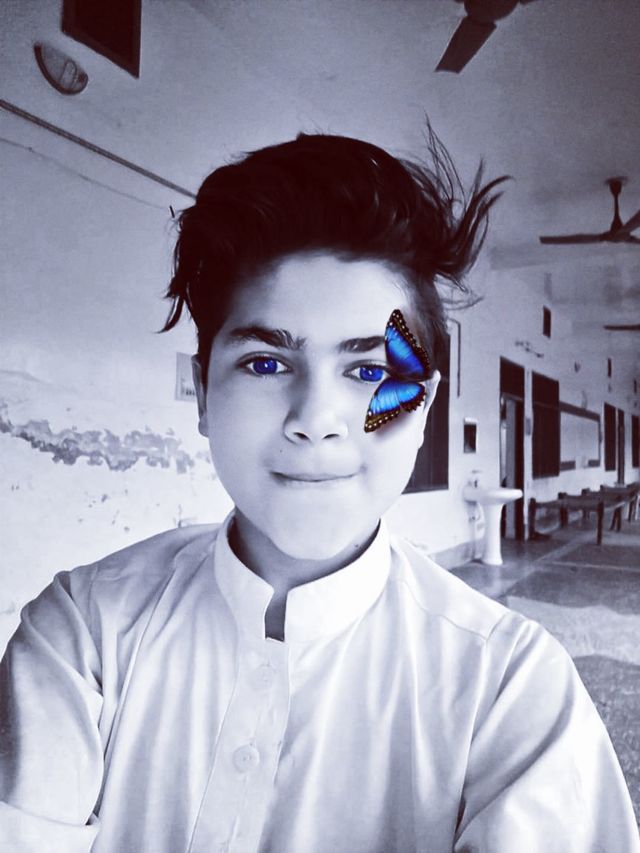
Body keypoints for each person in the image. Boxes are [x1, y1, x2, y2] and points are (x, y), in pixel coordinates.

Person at [1, 129, 638, 853]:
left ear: (423, 408)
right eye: (266, 363)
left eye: (369, 372)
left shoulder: (512, 690)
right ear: (204, 393)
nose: (315, 420)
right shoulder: (84, 631)